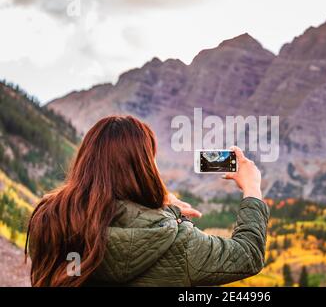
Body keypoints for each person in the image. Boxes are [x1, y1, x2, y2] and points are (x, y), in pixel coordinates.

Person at [26, 115, 269, 286]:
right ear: (144, 168)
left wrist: (164, 209)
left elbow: (112, 217)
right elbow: (248, 255)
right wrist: (252, 188)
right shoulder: (179, 242)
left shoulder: (51, 220)